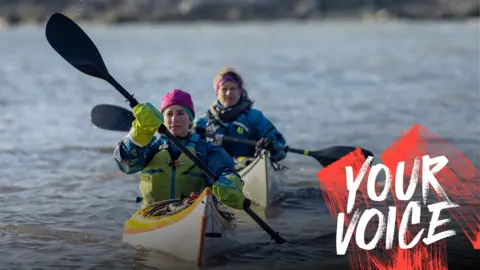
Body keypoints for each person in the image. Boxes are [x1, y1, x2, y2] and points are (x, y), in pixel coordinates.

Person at [113, 89, 245, 210]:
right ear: (162, 119)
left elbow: (225, 169)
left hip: (195, 210)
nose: (174, 119)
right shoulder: (150, 146)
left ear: (190, 119)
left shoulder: (207, 149)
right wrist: (138, 134)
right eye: (169, 114)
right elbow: (126, 164)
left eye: (181, 113)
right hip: (153, 213)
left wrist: (230, 182)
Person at [194, 67, 287, 164]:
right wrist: (194, 138)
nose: (229, 93)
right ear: (217, 92)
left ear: (240, 91)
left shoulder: (254, 117)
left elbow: (281, 150)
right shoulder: (202, 123)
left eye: (233, 88)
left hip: (248, 166)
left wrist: (271, 146)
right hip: (217, 170)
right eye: (224, 89)